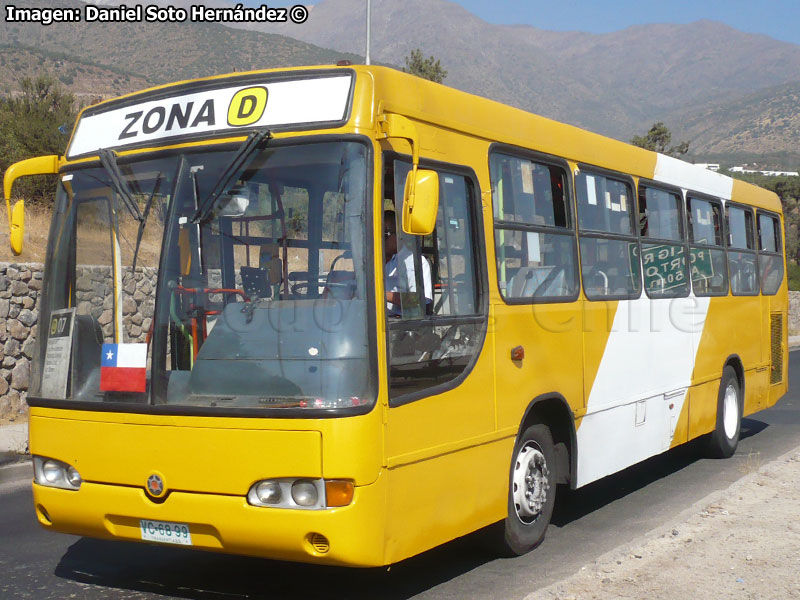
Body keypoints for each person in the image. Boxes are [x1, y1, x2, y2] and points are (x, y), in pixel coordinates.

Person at [384, 210, 432, 317]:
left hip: (403, 325)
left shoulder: (415, 262)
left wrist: (382, 296)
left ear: (398, 234)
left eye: (384, 234)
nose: (380, 239)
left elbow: (418, 299)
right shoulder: (376, 262)